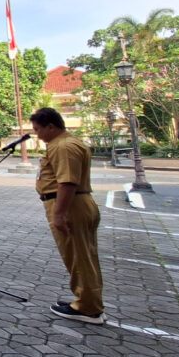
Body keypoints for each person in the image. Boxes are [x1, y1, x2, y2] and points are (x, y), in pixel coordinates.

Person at [31, 107, 106, 325]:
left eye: (38, 130)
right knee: (82, 256)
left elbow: (67, 182)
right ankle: (85, 299)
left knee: (79, 257)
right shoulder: (67, 143)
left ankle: (88, 307)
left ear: (51, 127)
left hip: (71, 206)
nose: (37, 135)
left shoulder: (63, 146)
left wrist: (59, 214)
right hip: (76, 204)